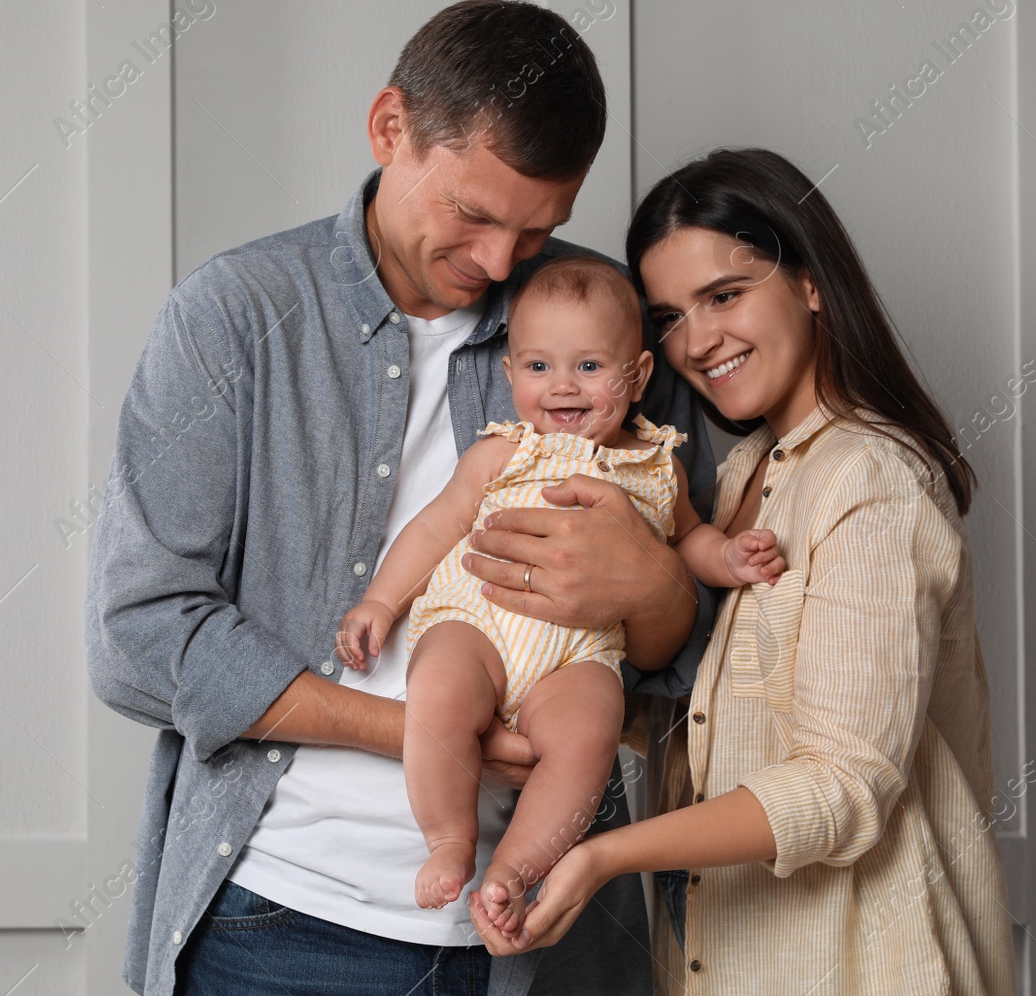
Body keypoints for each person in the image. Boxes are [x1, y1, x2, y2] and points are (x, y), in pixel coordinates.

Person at [84, 0, 720, 996]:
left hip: (547, 944)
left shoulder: (599, 327)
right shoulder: (234, 316)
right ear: (390, 129)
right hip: (280, 925)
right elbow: (139, 636)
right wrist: (426, 727)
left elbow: (689, 650)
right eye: (472, 214)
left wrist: (653, 588)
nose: (502, 263)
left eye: (538, 227)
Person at [469, 147, 1019, 996]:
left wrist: (602, 854)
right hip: (720, 960)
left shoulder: (868, 478)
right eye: (669, 317)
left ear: (809, 280)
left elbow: (844, 783)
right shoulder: (735, 476)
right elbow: (708, 726)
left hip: (862, 964)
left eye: (725, 295)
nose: (701, 340)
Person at [334, 256, 784, 932]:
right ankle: (449, 840)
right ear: (511, 373)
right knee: (439, 694)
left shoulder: (657, 464)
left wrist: (729, 554)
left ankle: (514, 870)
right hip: (476, 621)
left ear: (638, 376)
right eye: (539, 367)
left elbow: (688, 542)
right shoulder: (501, 453)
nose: (562, 387)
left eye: (590, 367)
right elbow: (434, 529)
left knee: (588, 736)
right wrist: (380, 602)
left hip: (578, 653)